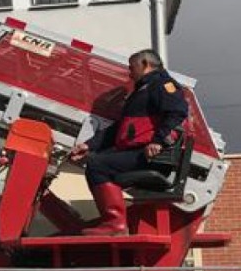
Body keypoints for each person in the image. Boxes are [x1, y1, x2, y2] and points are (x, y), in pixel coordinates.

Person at [66, 49, 191, 234]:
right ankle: (113, 223)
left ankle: (115, 224)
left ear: (146, 65)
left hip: (150, 155)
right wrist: (89, 145)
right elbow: (119, 128)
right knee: (94, 160)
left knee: (97, 165)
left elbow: (177, 112)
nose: (129, 73)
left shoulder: (163, 84)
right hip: (135, 151)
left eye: (132, 67)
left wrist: (157, 141)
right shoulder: (142, 90)